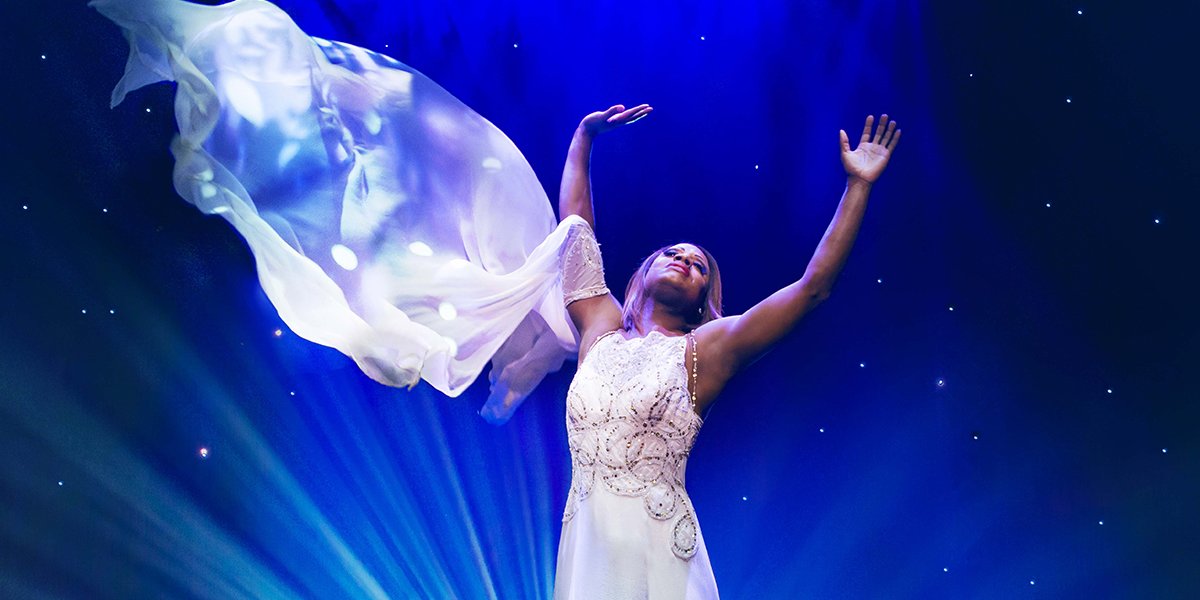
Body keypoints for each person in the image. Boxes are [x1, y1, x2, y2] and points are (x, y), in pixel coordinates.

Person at [553, 104, 900, 598]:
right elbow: (576, 232)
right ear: (643, 274)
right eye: (672, 253)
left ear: (703, 300)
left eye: (697, 265)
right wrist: (583, 137)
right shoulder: (599, 329)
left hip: (657, 554)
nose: (683, 260)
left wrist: (858, 187)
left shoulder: (705, 350)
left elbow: (812, 289)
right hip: (586, 548)